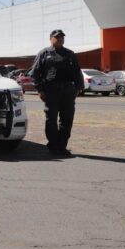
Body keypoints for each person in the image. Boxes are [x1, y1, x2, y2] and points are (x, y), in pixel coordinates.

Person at [30, 29, 83, 157]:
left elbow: (77, 72)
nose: (60, 39)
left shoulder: (70, 54)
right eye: (57, 37)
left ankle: (62, 146)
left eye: (61, 37)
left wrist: (77, 89)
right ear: (51, 39)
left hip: (68, 90)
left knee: (67, 119)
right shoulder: (44, 53)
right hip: (51, 90)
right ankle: (53, 146)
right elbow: (35, 73)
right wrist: (40, 90)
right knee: (51, 120)